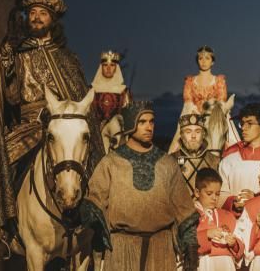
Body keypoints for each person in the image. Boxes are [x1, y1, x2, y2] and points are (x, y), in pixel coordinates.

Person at [0, 0, 104, 258]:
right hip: (28, 125)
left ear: (52, 19)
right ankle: (1, 230)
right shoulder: (17, 54)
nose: (36, 17)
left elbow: (80, 95)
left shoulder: (68, 58)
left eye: (42, 13)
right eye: (31, 13)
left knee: (90, 156)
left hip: (65, 121)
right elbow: (9, 96)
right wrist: (6, 55)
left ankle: (96, 219)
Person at [87, 102, 199, 270]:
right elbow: (94, 201)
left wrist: (190, 244)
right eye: (142, 122)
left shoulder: (167, 163)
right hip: (122, 249)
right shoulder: (111, 162)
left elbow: (184, 209)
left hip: (160, 250)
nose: (149, 127)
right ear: (131, 124)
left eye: (152, 121)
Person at [219, 103, 260, 215]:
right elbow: (220, 195)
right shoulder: (229, 160)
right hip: (234, 223)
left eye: (249, 124)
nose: (243, 128)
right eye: (242, 124)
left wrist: (255, 199)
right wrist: (234, 202)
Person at [169, 46, 228, 153]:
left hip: (214, 117)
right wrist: (198, 116)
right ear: (197, 61)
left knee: (227, 134)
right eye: (201, 58)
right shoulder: (190, 81)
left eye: (207, 58)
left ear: (212, 62)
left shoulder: (219, 81)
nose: (204, 62)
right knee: (179, 140)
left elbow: (221, 102)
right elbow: (188, 104)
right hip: (194, 116)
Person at [193, 168, 243, 271]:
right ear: (197, 192)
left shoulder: (227, 216)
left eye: (217, 194)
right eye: (209, 193)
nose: (214, 198)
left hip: (225, 264)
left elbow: (240, 247)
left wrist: (234, 244)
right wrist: (206, 234)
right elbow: (182, 243)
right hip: (202, 264)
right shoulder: (188, 216)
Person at [234, 155, 260, 270]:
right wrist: (256, 227)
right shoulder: (252, 205)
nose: (259, 176)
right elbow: (241, 235)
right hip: (259, 262)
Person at [171, 114, 221, 197]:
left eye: (198, 132)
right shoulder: (170, 160)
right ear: (182, 135)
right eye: (188, 132)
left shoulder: (215, 161)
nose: (193, 136)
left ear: (203, 134)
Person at [91, 50, 132, 122]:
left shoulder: (124, 92)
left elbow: (129, 117)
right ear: (101, 67)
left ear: (116, 68)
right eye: (105, 65)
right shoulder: (91, 90)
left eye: (112, 65)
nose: (108, 68)